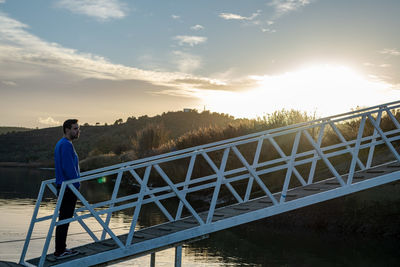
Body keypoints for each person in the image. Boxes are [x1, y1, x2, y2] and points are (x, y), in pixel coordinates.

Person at [53, 119, 81, 259]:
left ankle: (61, 248)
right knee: (64, 219)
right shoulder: (65, 145)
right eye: (75, 128)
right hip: (68, 187)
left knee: (64, 219)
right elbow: (69, 168)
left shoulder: (62, 143)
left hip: (65, 186)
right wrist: (77, 185)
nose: (77, 131)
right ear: (67, 129)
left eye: (78, 128)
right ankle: (59, 251)